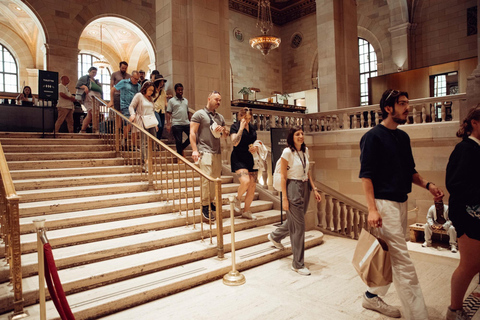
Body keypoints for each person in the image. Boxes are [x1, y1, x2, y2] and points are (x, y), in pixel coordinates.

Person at [358, 89, 444, 319]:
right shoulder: (372, 137)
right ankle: (418, 315)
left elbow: (410, 171)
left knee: (391, 256)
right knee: (403, 261)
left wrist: (428, 185)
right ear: (388, 108)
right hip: (383, 206)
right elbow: (366, 176)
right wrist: (372, 209)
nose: (408, 107)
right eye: (402, 103)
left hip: (401, 203)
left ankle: (371, 296)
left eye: (408, 102)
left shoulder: (403, 137)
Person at [267, 126, 322, 276]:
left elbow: (307, 171)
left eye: (302, 134)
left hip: (305, 187)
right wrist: (284, 198)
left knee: (296, 221)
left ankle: (275, 235)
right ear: (292, 137)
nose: (301, 136)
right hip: (292, 186)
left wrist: (314, 188)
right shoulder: (287, 152)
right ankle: (297, 264)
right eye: (297, 134)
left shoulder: (305, 151)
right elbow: (283, 176)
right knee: (299, 227)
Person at [445, 105, 480, 320]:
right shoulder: (466, 149)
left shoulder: (476, 148)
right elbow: (455, 184)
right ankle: (454, 310)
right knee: (469, 265)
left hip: (475, 214)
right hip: (468, 216)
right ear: (474, 123)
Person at [190, 91, 227, 221]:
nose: (218, 102)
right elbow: (192, 132)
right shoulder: (199, 114)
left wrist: (223, 131)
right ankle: (204, 205)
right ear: (209, 98)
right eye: (216, 99)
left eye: (220, 100)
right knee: (206, 180)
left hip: (217, 152)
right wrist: (194, 150)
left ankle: (211, 201)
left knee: (215, 179)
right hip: (204, 151)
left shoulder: (220, 117)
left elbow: (225, 135)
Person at [230, 107, 258, 220]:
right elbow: (234, 143)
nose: (247, 120)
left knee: (252, 186)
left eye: (249, 118)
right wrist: (241, 128)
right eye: (245, 118)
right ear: (240, 116)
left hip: (250, 158)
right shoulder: (235, 126)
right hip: (238, 157)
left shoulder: (252, 128)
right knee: (245, 181)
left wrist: (255, 147)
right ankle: (237, 198)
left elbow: (254, 141)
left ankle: (246, 211)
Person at [128, 81, 158, 172]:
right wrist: (132, 114)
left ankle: (149, 160)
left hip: (151, 121)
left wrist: (156, 123)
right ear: (145, 89)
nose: (151, 92)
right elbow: (131, 106)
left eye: (152, 90)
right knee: (144, 142)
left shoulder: (151, 99)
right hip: (142, 120)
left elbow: (152, 111)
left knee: (153, 142)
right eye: (149, 90)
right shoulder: (139, 96)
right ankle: (145, 162)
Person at [108, 70, 141, 143]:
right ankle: (124, 139)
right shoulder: (124, 82)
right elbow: (113, 89)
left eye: (137, 79)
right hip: (125, 105)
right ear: (131, 77)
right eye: (135, 79)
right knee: (128, 122)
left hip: (135, 107)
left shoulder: (138, 86)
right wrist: (111, 101)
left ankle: (133, 143)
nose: (136, 81)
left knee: (135, 125)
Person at [166, 83, 191, 156]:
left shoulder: (185, 100)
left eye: (181, 90)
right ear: (175, 91)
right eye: (178, 90)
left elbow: (187, 111)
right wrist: (168, 124)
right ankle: (179, 156)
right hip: (176, 123)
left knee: (192, 137)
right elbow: (168, 113)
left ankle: (180, 148)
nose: (180, 91)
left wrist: (191, 121)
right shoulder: (171, 101)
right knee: (178, 141)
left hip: (186, 123)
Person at [76, 66, 102, 133]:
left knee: (93, 115)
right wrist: (84, 86)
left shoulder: (95, 81)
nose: (94, 74)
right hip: (89, 98)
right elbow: (78, 85)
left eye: (95, 73)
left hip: (96, 98)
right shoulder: (85, 78)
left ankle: (84, 130)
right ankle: (94, 129)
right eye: (93, 72)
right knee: (92, 113)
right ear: (89, 71)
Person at [152, 74, 168, 140]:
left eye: (163, 82)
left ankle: (158, 141)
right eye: (161, 81)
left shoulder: (163, 92)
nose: (162, 83)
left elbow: (165, 102)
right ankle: (155, 140)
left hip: (162, 110)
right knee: (159, 125)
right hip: (155, 110)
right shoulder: (153, 91)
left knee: (161, 127)